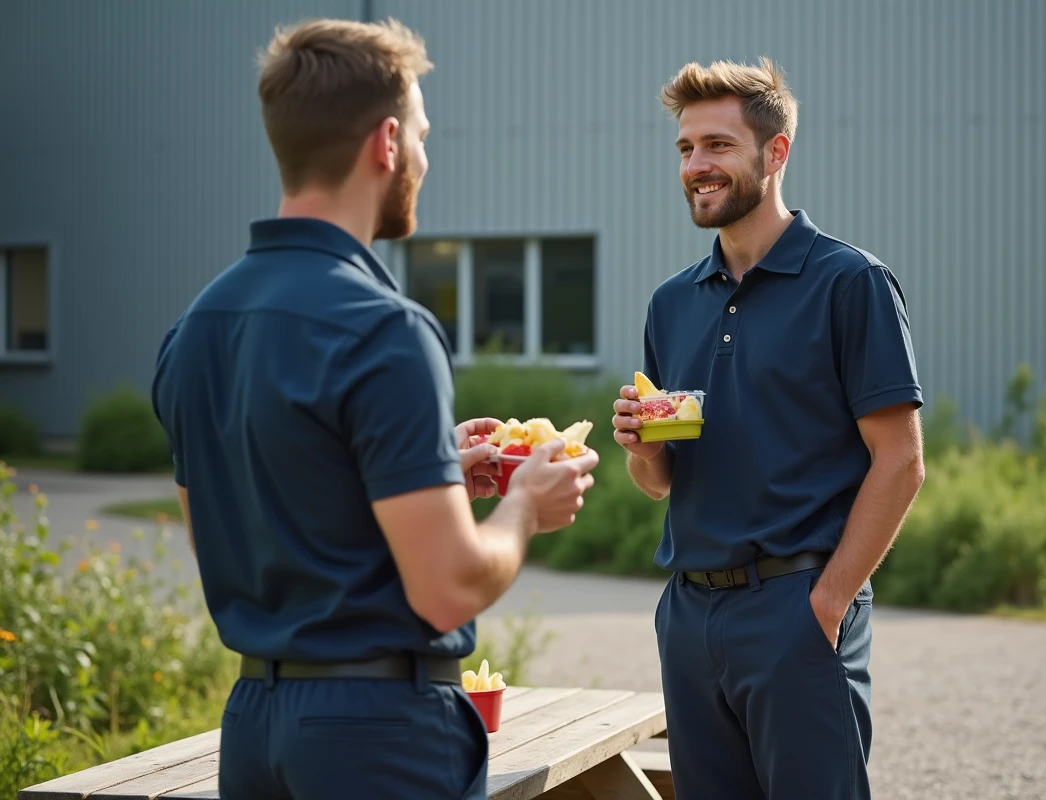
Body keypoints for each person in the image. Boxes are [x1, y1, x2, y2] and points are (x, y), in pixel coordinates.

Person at [151, 17, 599, 800]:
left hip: (253, 727)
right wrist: (526, 505)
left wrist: (423, 469)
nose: (426, 156)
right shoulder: (387, 329)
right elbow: (449, 587)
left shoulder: (194, 329)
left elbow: (244, 528)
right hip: (377, 735)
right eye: (424, 135)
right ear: (386, 143)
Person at [611, 57, 925, 800]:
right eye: (686, 149)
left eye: (717, 145)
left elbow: (901, 462)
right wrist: (638, 446)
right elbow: (659, 484)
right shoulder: (671, 303)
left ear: (774, 152)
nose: (696, 165)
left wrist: (827, 602)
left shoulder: (851, 283)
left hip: (795, 608)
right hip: (689, 617)